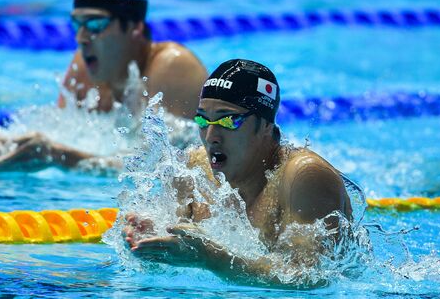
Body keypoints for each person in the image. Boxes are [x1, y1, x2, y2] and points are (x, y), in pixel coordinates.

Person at [123, 59, 353, 287]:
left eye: (229, 120)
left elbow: (309, 278)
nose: (211, 135)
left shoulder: (303, 177)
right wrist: (152, 246)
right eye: (203, 119)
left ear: (266, 125)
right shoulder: (194, 169)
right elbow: (175, 262)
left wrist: (212, 259)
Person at [0, 0, 207, 174]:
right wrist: (11, 145)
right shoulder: (85, 66)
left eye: (95, 24)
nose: (81, 37)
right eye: (77, 24)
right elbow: (61, 134)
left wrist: (61, 156)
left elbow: (165, 168)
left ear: (134, 26)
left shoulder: (172, 68)